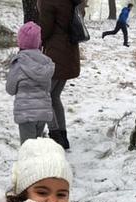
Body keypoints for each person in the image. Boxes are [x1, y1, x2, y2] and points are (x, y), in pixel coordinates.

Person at [38, 0, 82, 150]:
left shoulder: (48, 2)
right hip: (69, 51)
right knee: (54, 95)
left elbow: (45, 30)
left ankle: (56, 136)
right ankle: (62, 136)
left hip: (55, 54)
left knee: (46, 97)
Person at [6, 21, 55, 145]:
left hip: (25, 113)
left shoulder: (19, 63)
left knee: (28, 149)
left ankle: (28, 165)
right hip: (42, 113)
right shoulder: (45, 62)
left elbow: (10, 89)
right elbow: (47, 88)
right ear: (39, 42)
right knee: (37, 147)